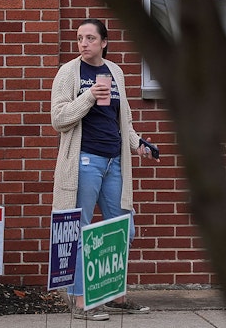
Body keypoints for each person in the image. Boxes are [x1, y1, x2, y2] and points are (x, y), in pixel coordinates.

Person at [50, 18, 158, 321]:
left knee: (122, 228)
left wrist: (139, 144)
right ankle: (81, 301)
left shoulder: (115, 72)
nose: (84, 43)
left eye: (90, 38)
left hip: (114, 162)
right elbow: (58, 119)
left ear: (104, 42)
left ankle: (114, 296)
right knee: (81, 230)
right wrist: (88, 96)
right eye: (80, 38)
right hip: (84, 160)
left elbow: (124, 119)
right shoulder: (69, 73)